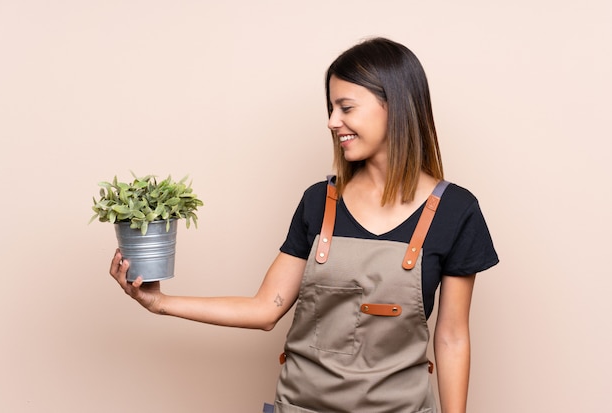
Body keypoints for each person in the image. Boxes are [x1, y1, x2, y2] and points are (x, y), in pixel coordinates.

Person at [110, 37, 499, 413]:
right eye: (331, 108)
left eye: (346, 107)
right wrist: (158, 303)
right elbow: (265, 309)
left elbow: (451, 337)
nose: (333, 122)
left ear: (394, 106)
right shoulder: (319, 201)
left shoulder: (456, 211)